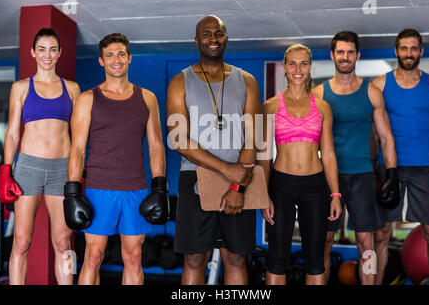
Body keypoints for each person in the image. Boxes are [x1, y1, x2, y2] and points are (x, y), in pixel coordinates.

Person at [166, 15, 261, 285]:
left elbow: (253, 137)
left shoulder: (247, 81)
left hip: (241, 179)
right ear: (196, 41)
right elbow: (177, 139)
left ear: (226, 39)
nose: (213, 39)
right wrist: (225, 169)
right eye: (206, 34)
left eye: (218, 34)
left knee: (236, 257)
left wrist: (238, 186)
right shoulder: (179, 82)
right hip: (195, 179)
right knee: (195, 258)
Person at [66, 33, 167, 285]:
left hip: (135, 188)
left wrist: (160, 187)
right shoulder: (88, 99)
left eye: (121, 53)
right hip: (99, 189)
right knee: (93, 256)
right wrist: (72, 191)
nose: (116, 59)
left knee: (133, 257)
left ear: (130, 58)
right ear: (101, 61)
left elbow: (156, 146)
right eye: (109, 55)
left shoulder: (147, 98)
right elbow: (77, 149)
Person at [312, 31, 398, 285]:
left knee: (366, 243)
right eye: (340, 52)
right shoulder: (318, 94)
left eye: (350, 52)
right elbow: (309, 140)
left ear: (357, 55)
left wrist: (392, 174)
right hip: (329, 177)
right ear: (332, 55)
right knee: (324, 242)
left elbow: (386, 138)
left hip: (362, 176)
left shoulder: (371, 93)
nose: (345, 57)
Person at [0, 28, 81, 285]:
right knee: (22, 241)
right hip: (28, 168)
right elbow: (12, 133)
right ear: (33, 52)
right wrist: (6, 170)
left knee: (63, 241)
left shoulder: (72, 89)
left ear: (59, 53)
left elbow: (79, 136)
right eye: (42, 49)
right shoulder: (21, 87)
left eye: (53, 49)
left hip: (61, 170)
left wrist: (76, 173)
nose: (47, 54)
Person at [258, 43, 342, 285]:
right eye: (292, 63)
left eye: (303, 63)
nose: (298, 68)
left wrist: (335, 193)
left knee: (315, 259)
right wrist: (263, 194)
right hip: (280, 185)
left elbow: (327, 154)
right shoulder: (270, 106)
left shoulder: (323, 107)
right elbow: (263, 156)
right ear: (284, 67)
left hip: (315, 187)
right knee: (276, 258)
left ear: (310, 67)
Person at [373, 28, 429, 285]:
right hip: (388, 167)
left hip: (425, 169)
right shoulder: (380, 85)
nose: (409, 53)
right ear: (396, 51)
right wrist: (372, 169)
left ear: (421, 51)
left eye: (414, 48)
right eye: (404, 48)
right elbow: (373, 132)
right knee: (380, 235)